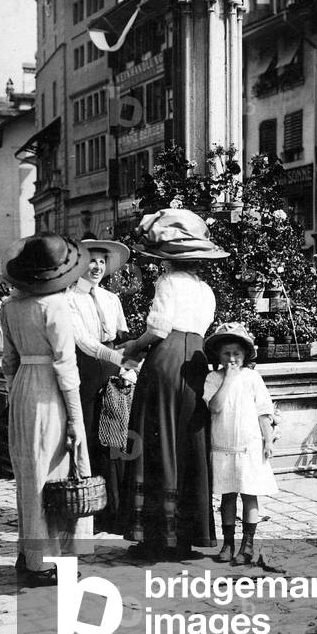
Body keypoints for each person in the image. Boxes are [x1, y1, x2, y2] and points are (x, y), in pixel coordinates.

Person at [121, 208, 228, 559]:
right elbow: (204, 329)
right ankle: (186, 533)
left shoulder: (167, 282)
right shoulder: (206, 290)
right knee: (188, 443)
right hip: (195, 362)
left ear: (166, 258)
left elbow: (158, 329)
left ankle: (156, 537)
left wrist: (133, 347)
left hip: (166, 361)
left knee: (157, 439)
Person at [1, 233, 93, 586]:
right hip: (50, 392)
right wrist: (74, 417)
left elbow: (8, 362)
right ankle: (46, 562)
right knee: (53, 475)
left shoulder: (10, 307)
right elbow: (66, 366)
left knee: (28, 474)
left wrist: (16, 395)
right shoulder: (54, 306)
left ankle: (29, 553)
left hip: (24, 387)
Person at [67, 239, 138, 533]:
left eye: (101, 262)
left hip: (113, 367)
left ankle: (119, 510)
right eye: (91, 260)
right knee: (91, 435)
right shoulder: (69, 298)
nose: (96, 267)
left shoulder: (112, 299)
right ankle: (92, 510)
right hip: (86, 369)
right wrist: (119, 358)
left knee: (118, 434)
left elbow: (122, 335)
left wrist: (130, 366)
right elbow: (84, 341)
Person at [203, 322, 277, 565]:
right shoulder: (214, 378)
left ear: (245, 355)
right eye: (227, 353)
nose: (232, 358)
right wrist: (228, 378)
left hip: (249, 447)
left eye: (237, 353)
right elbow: (214, 406)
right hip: (224, 447)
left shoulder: (253, 378)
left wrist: (268, 439)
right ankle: (227, 543)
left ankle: (247, 545)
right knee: (227, 496)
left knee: (249, 494)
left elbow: (264, 411)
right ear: (219, 355)